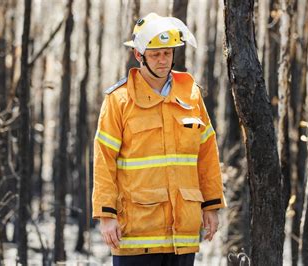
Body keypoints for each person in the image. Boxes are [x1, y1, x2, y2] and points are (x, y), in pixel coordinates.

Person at [92, 12, 226, 266]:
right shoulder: (119, 100)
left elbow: (207, 154)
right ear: (139, 55)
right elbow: (103, 161)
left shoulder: (191, 95)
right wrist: (106, 215)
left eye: (167, 53)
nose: (163, 60)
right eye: (155, 54)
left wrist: (211, 206)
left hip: (182, 232)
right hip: (136, 231)